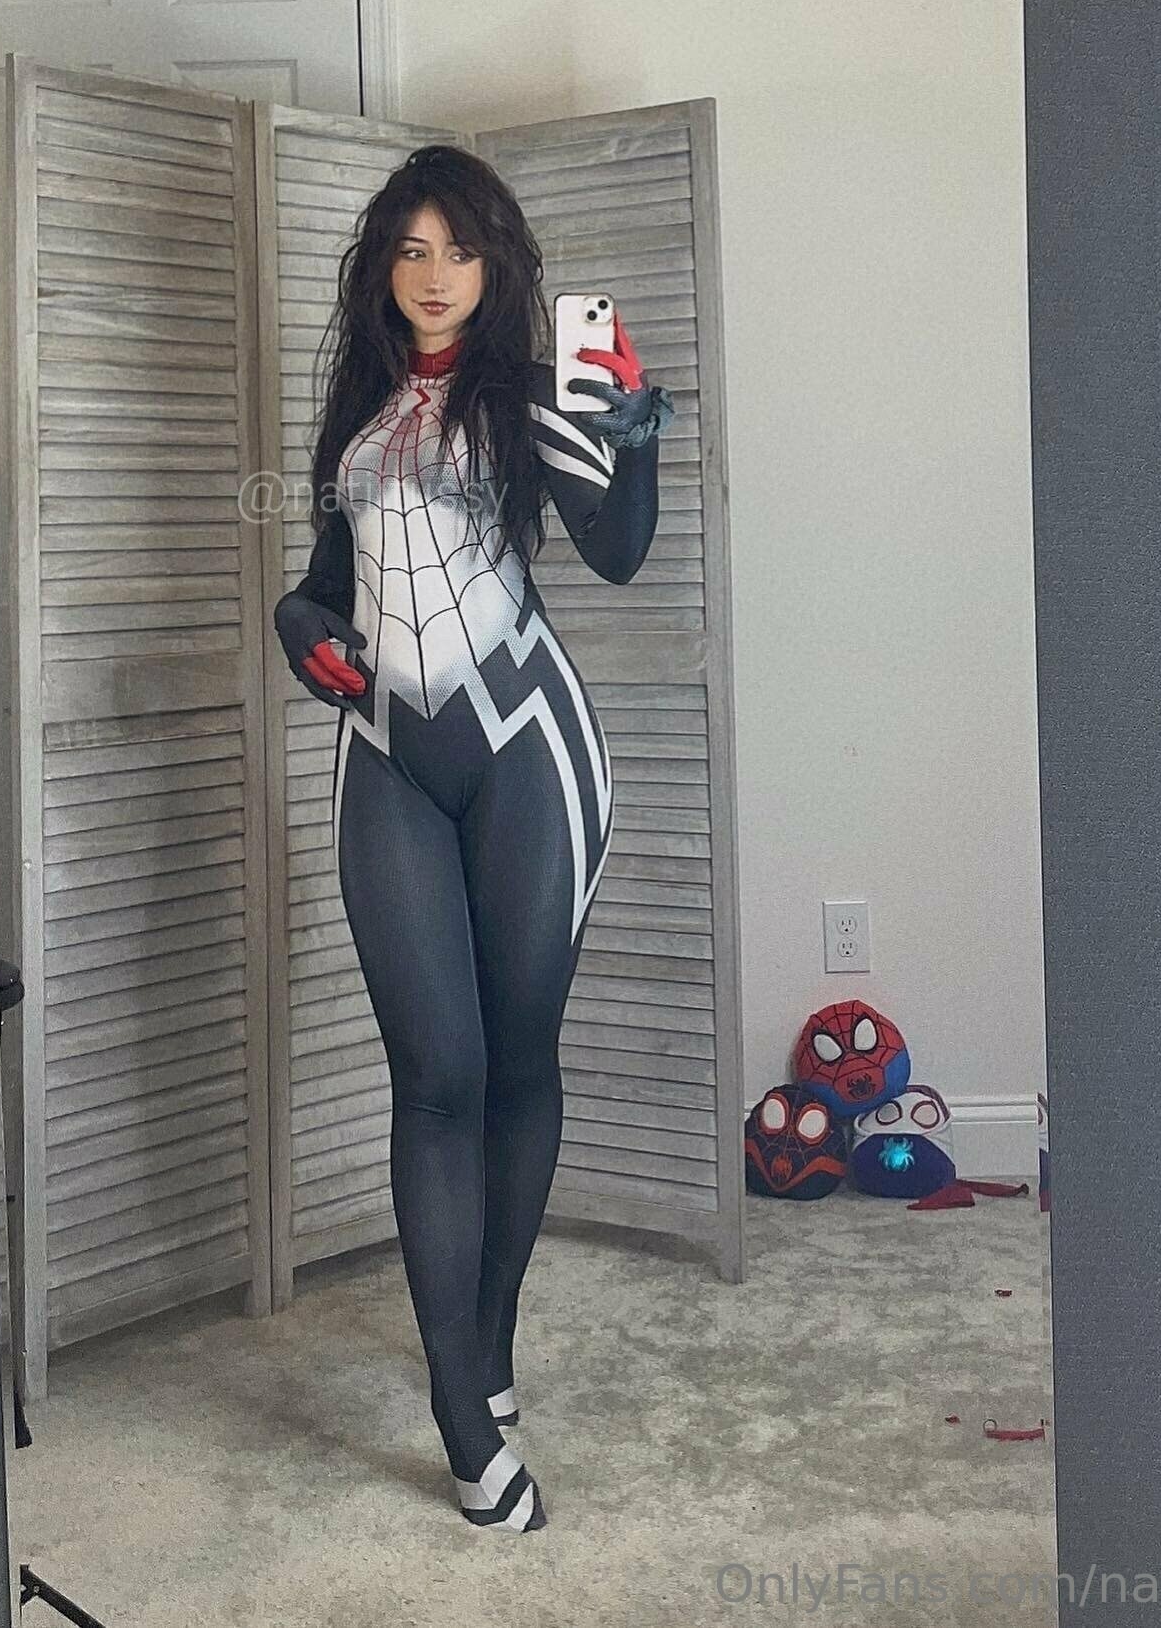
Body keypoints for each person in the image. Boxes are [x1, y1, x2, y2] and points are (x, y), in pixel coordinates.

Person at [271, 145, 673, 1532]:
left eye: (459, 250)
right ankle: (461, 1412)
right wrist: (298, 622)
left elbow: (617, 548)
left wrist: (632, 426)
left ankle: (489, 1337)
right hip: (387, 754)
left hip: (526, 750)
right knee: (435, 1076)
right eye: (410, 249)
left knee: (519, 1058)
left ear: (495, 265)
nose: (434, 276)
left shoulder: (525, 394)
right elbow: (330, 583)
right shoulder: (358, 412)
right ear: (382, 266)